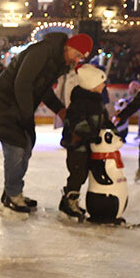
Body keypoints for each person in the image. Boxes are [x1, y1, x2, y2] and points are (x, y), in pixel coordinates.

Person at [0, 31, 92, 213]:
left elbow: (43, 89)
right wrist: (26, 116)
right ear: (69, 47)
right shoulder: (43, 51)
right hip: (4, 105)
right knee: (17, 148)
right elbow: (22, 83)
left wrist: (60, 110)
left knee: (26, 147)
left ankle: (12, 191)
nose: (76, 60)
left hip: (17, 108)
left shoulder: (57, 62)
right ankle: (12, 195)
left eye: (80, 58)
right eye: (77, 54)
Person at [58, 64, 117, 221]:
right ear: (92, 85)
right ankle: (68, 202)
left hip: (88, 145)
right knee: (78, 174)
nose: (104, 86)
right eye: (101, 83)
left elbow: (103, 120)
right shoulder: (79, 103)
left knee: (84, 173)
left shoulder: (97, 101)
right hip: (77, 147)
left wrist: (113, 131)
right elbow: (77, 126)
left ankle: (71, 201)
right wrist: (92, 135)